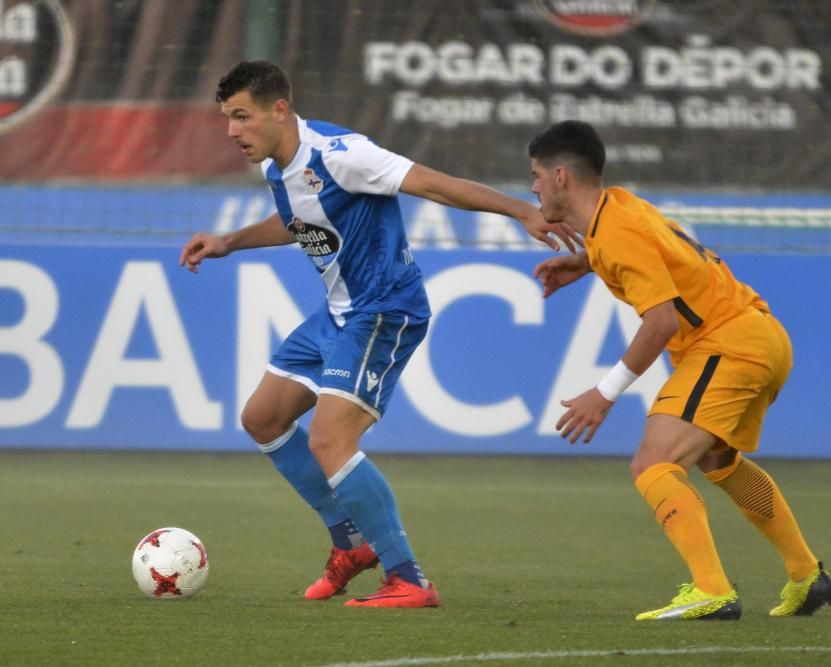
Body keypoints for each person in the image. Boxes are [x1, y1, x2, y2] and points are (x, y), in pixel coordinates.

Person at [179, 61, 578, 608]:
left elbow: (433, 182)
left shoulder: (342, 154)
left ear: (279, 109)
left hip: (385, 310)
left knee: (328, 440)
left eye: (241, 117)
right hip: (338, 313)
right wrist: (230, 241)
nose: (232, 131)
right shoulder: (278, 167)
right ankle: (351, 544)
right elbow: (301, 223)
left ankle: (409, 578)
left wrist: (519, 210)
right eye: (227, 118)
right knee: (263, 417)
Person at [529, 120, 831, 620]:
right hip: (761, 336)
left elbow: (660, 322)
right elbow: (648, 249)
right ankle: (807, 576)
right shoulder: (619, 206)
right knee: (718, 462)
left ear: (561, 176)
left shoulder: (616, 230)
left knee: (653, 464)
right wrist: (585, 263)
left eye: (537, 176)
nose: (535, 187)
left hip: (727, 344)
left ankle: (712, 588)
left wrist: (604, 393)